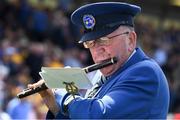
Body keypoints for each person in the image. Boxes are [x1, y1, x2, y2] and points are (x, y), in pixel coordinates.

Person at [28, 2, 170, 119]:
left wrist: (67, 90)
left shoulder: (145, 72)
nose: (97, 50)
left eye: (104, 40)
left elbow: (98, 116)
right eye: (90, 43)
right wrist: (54, 106)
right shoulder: (101, 75)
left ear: (131, 40)